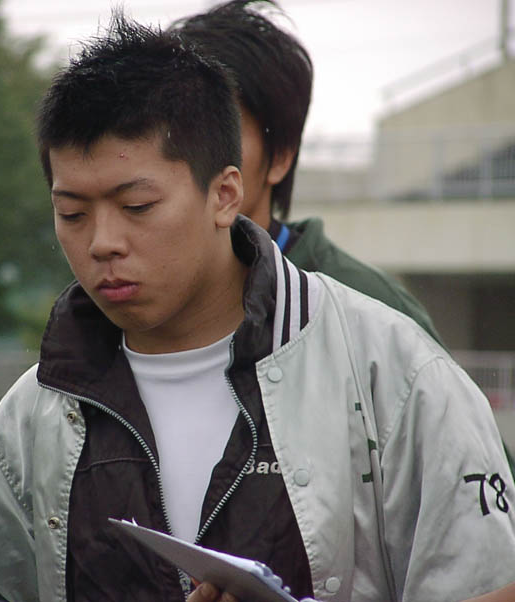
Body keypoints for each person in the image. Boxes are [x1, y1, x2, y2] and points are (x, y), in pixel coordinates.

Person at [0, 12, 515, 602]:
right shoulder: (36, 412)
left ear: (225, 194)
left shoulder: (393, 374)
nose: (102, 241)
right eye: (72, 213)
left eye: (137, 206)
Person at [170, 0, 515, 476]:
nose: (190, 157)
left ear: (280, 157)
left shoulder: (371, 307)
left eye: (219, 132)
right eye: (176, 133)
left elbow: (484, 482)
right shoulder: (118, 288)